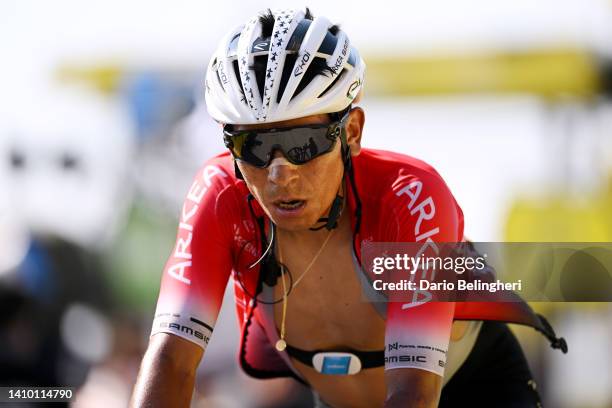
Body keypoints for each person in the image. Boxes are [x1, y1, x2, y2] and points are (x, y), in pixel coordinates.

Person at [130, 8, 566, 407]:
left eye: (303, 144)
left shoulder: (410, 196)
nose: (280, 175)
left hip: (469, 388)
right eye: (254, 146)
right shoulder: (220, 194)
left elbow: (414, 392)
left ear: (351, 132)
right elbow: (171, 360)